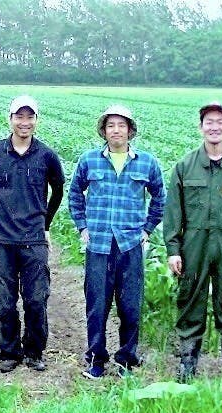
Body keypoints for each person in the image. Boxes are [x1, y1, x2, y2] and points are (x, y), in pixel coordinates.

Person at [163, 102, 222, 382]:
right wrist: (173, 250)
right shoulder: (185, 166)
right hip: (194, 247)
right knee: (190, 303)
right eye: (209, 122)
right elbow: (173, 213)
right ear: (201, 127)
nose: (214, 127)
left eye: (220, 122)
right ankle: (187, 369)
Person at [69, 104, 166, 379]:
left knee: (130, 306)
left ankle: (126, 361)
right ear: (103, 131)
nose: (116, 130)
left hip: (130, 245)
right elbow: (74, 194)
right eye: (110, 125)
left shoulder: (146, 162)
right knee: (97, 306)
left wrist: (147, 229)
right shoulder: (89, 160)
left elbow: (160, 197)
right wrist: (82, 226)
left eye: (122, 125)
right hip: (98, 244)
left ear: (130, 130)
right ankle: (96, 361)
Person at [0, 95, 65, 373]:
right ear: (10, 119)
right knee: (5, 302)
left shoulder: (47, 156)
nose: (24, 122)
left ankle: (34, 352)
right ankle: (9, 353)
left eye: (30, 117)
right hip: (1, 239)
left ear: (36, 120)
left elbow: (58, 190)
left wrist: (46, 224)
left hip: (33, 239)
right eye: (19, 116)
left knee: (36, 299)